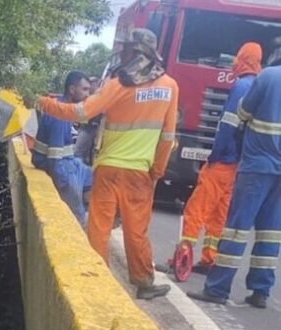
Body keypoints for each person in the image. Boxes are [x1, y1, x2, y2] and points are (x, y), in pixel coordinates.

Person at [36, 29, 179, 300]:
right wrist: (157, 171)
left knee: (99, 226)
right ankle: (144, 282)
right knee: (136, 229)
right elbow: (168, 137)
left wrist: (43, 102)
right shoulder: (170, 86)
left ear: (131, 52)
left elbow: (80, 112)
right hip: (140, 172)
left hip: (108, 169)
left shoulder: (118, 84)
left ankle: (97, 281)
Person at [188, 41, 281, 309]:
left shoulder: (268, 77)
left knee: (236, 229)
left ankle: (217, 288)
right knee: (271, 232)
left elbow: (243, 112)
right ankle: (261, 291)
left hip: (256, 166)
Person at [177, 43, 262, 274]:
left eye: (237, 57)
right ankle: (210, 258)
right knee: (219, 213)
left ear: (243, 59)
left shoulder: (241, 86)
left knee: (197, 207)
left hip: (224, 160)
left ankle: (182, 257)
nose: (234, 61)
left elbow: (227, 125)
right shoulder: (257, 86)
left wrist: (214, 155)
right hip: (238, 163)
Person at [31, 71, 93, 227]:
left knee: (97, 177)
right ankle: (78, 221)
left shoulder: (63, 108)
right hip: (60, 167)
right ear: (72, 89)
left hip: (68, 162)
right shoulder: (59, 115)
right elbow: (55, 160)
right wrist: (65, 186)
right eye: (84, 89)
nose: (87, 95)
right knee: (77, 214)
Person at [73, 77, 102, 165]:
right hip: (84, 127)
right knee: (82, 154)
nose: (90, 86)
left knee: (79, 152)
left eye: (92, 83)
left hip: (90, 127)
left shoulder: (98, 97)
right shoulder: (88, 98)